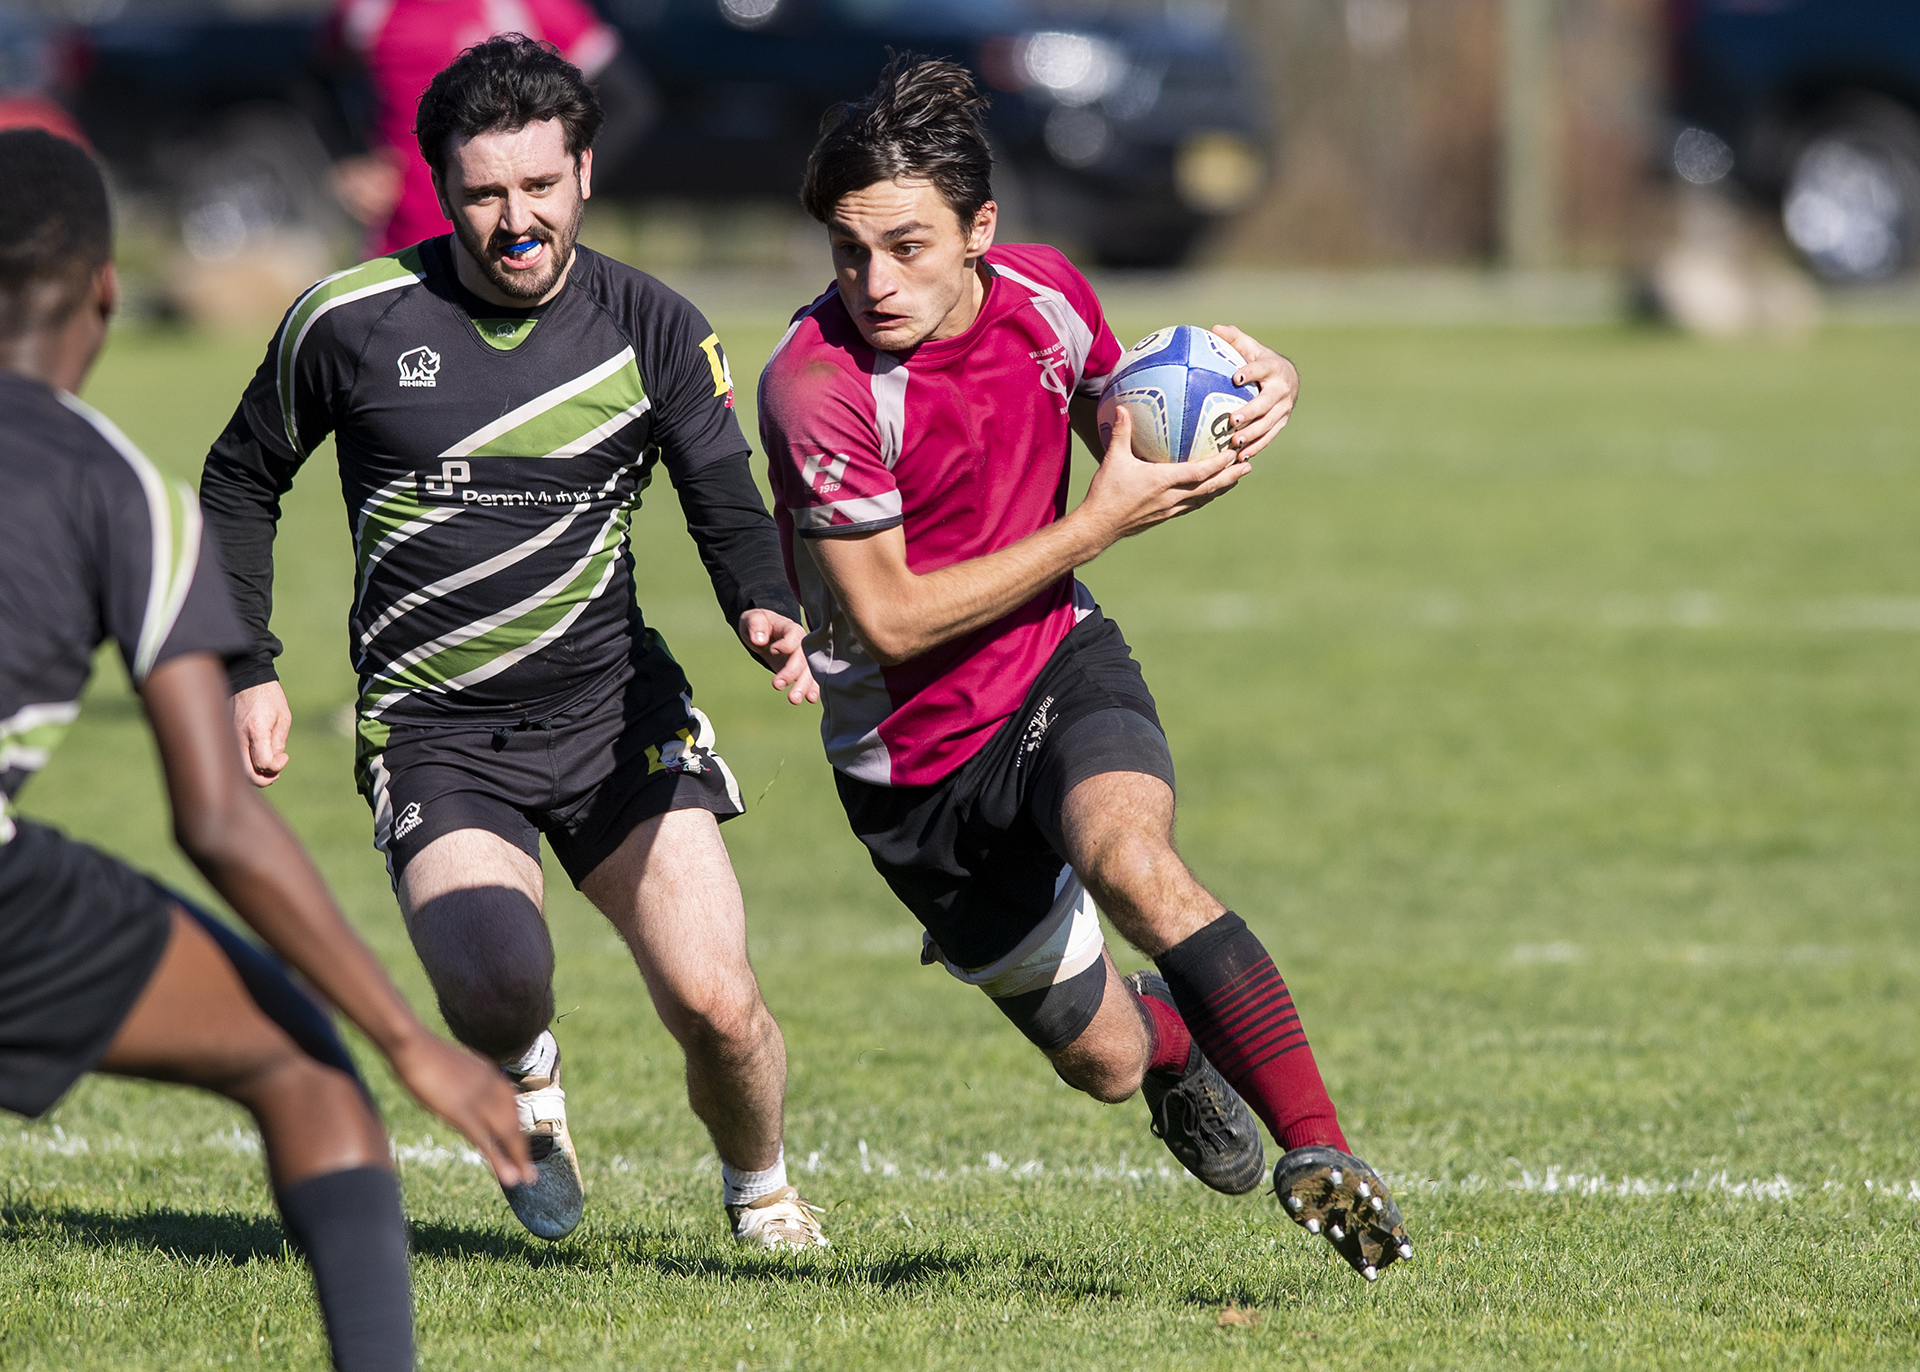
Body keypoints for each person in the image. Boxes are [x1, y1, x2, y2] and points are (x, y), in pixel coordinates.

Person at [760, 56, 1414, 1280]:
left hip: (1057, 668)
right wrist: (1099, 522)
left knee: (1137, 865)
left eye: (907, 247)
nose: (874, 282)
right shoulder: (817, 390)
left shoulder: (1047, 297)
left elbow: (1129, 424)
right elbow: (892, 620)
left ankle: (1326, 1158)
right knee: (1104, 1060)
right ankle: (1177, 1060)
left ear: (981, 234)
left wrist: (1251, 388)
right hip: (914, 773)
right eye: (850, 253)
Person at [198, 36, 826, 1250]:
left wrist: (765, 603)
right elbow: (239, 482)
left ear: (585, 172)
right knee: (492, 978)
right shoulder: (351, 321)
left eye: (541, 187)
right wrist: (246, 664)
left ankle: (762, 1190)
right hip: (438, 733)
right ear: (441, 187)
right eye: (486, 193)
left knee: (719, 1001)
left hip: (614, 719)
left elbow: (722, 491)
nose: (518, 220)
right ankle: (528, 1070)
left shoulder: (650, 321)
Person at [0, 127, 534, 1372]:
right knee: (307, 1071)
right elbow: (218, 819)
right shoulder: (123, 493)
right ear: (103, 292)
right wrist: (410, 1044)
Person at [321, 0, 652, 255]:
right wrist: (349, 157)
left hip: (507, 244)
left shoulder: (524, 7)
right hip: (399, 242)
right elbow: (314, 76)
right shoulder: (369, 9)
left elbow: (627, 101)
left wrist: (565, 186)